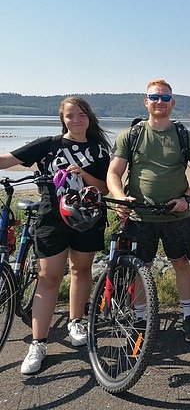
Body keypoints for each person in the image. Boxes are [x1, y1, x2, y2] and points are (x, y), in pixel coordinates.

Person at [0, 97, 110, 374]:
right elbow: (7, 160)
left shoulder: (99, 150)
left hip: (88, 217)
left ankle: (76, 322)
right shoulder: (47, 145)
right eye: (71, 115)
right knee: (48, 278)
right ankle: (38, 343)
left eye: (82, 114)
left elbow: (105, 188)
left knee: (81, 270)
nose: (76, 120)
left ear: (89, 117)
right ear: (62, 119)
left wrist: (82, 173)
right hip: (51, 219)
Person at [106, 79, 190, 342]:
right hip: (140, 215)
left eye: (165, 98)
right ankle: (141, 316)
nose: (160, 102)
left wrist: (188, 197)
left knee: (181, 263)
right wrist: (120, 197)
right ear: (146, 102)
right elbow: (114, 173)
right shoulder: (131, 135)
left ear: (172, 104)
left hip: (177, 214)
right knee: (141, 267)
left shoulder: (186, 137)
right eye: (155, 97)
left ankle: (188, 314)